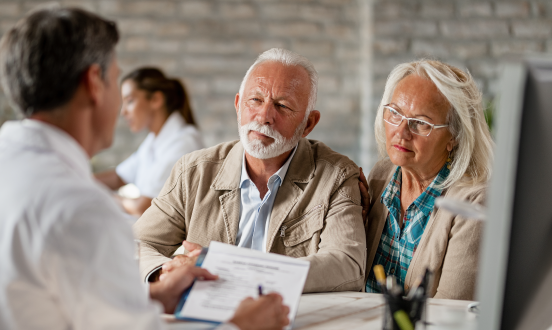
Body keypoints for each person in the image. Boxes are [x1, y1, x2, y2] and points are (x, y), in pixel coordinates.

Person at [0, 7, 289, 330]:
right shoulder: (80, 207)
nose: (121, 106)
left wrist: (151, 297)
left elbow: (29, 307)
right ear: (93, 83)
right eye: (115, 80)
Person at [135, 48, 367, 294]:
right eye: (255, 100)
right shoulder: (193, 172)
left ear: (308, 124)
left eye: (283, 105)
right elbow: (137, 243)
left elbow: (347, 265)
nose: (265, 116)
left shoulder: (336, 177)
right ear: (238, 105)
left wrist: (231, 270)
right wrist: (166, 272)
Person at [359, 59, 494, 300]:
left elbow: (449, 313)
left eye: (420, 123)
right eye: (395, 113)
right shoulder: (381, 175)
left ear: (454, 136)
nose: (401, 132)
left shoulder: (473, 203)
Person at [95, 67, 204, 216]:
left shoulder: (183, 143)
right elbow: (119, 176)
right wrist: (79, 180)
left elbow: (141, 207)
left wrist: (94, 195)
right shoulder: (154, 141)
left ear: (155, 100)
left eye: (130, 101)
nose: (123, 112)